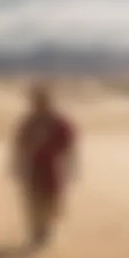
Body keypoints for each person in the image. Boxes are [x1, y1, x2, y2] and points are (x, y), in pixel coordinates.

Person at [12, 84, 78, 247]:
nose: (38, 104)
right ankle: (37, 230)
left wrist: (71, 164)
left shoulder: (58, 122)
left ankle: (46, 229)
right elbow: (20, 143)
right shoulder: (29, 121)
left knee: (51, 200)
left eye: (41, 101)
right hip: (33, 168)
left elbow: (69, 143)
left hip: (52, 168)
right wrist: (18, 164)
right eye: (36, 101)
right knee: (33, 201)